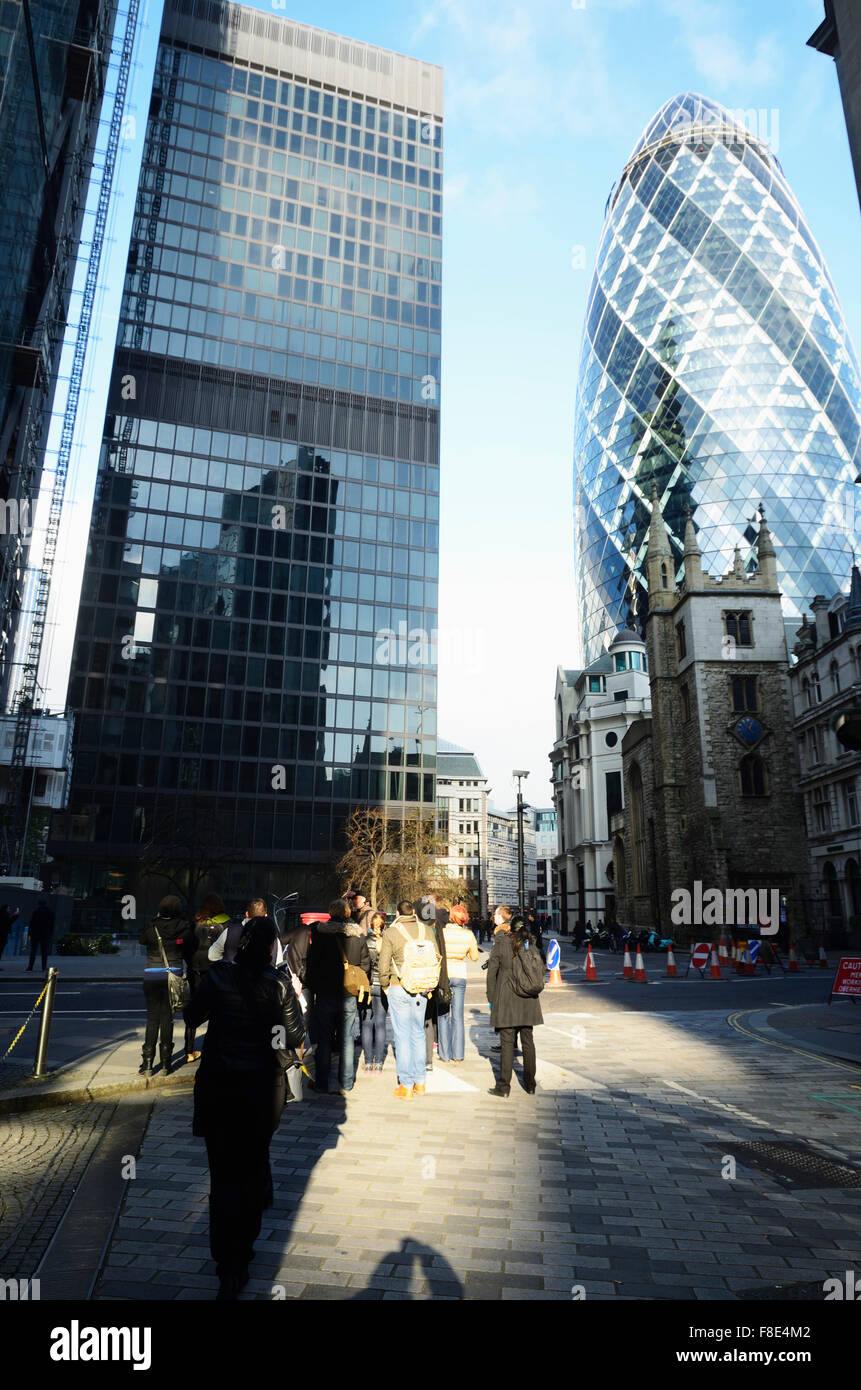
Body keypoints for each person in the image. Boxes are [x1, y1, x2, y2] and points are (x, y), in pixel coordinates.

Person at [183, 916, 304, 1299]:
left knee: (222, 1177)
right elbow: (295, 1035)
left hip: (219, 1084)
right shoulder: (278, 984)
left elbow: (191, 1016)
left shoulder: (218, 977)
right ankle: (242, 1257)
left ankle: (225, 1263)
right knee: (252, 1169)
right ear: (271, 949)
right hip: (260, 1089)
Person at [305, 898, 370, 1094]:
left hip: (325, 993)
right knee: (347, 1038)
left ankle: (322, 1082)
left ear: (330, 912)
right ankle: (346, 1083)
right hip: (349, 993)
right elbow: (366, 964)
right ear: (348, 913)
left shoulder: (321, 935)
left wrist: (313, 988)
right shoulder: (358, 936)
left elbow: (312, 965)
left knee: (324, 1039)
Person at [378, 900, 439, 1099]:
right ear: (413, 912)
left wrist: (385, 984)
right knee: (418, 1034)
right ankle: (420, 1083)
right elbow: (437, 956)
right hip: (422, 988)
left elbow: (384, 963)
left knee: (402, 1036)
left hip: (399, 986)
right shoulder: (426, 930)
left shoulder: (392, 932)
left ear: (397, 913)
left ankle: (405, 1085)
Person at [486, 909, 543, 1097]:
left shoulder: (501, 943)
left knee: (507, 1042)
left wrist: (492, 998)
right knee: (528, 1041)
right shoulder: (530, 944)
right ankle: (530, 1083)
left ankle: (504, 1087)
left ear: (510, 928)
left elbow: (492, 972)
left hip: (507, 998)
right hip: (528, 999)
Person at [138, 895, 188, 1076]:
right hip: (173, 974)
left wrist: (155, 919)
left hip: (151, 974)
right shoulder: (183, 927)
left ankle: (147, 1063)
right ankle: (166, 1063)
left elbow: (142, 939)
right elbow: (189, 944)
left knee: (152, 1019)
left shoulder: (152, 926)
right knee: (167, 1018)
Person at [184, 894, 232, 1063]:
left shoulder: (196, 923)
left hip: (195, 970)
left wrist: (190, 964)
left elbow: (187, 946)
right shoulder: (226, 923)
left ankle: (189, 1051)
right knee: (216, 1009)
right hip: (214, 972)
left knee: (194, 1005)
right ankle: (212, 1048)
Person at [438, 904, 479, 1062]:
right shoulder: (468, 935)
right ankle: (458, 1055)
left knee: (443, 1015)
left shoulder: (443, 932)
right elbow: (474, 957)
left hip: (444, 973)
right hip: (460, 974)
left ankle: (445, 1054)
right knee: (458, 1016)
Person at [360, 910, 389, 1072]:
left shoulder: (364, 941)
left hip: (367, 985)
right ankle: (378, 1063)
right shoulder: (387, 941)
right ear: (384, 925)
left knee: (366, 1024)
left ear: (371, 925)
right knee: (380, 1024)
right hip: (383, 985)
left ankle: (368, 1062)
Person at [25, 899, 55, 973]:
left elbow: (31, 923)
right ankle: (43, 967)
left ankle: (30, 967)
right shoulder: (49, 912)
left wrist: (30, 933)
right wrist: (50, 933)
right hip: (45, 934)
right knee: (44, 951)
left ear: (38, 904)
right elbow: (52, 924)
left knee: (33, 951)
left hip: (35, 934)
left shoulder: (36, 911)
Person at [0, 904, 19, 969]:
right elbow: (9, 922)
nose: (9, 910)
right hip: (2, 934)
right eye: (8, 908)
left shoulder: (2, 914)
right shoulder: (5, 915)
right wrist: (15, 916)